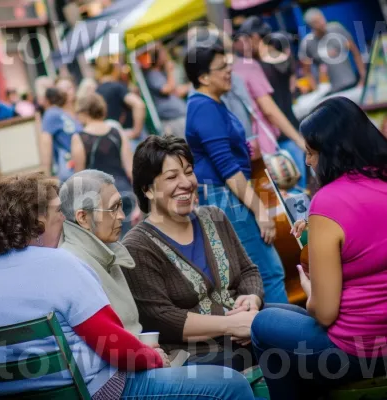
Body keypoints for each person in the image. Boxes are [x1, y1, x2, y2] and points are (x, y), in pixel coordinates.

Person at [0, 172, 255, 400]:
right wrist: (154, 358)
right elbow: (115, 346)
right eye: (57, 212)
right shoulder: (60, 263)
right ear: (38, 221)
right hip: (99, 392)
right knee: (231, 385)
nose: (63, 218)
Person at [251, 97, 387, 399]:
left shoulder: (328, 202)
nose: (307, 161)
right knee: (274, 310)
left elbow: (325, 313)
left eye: (311, 152)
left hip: (373, 349)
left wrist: (310, 291)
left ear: (333, 152)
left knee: (261, 324)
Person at [123, 135, 263, 371]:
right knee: (284, 349)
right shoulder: (137, 246)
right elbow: (161, 317)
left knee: (295, 322)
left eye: (188, 171)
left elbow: (248, 271)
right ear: (147, 190)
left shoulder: (214, 216)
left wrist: (252, 298)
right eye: (172, 177)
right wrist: (230, 325)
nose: (186, 182)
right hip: (197, 356)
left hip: (246, 332)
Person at [183, 44, 288, 304]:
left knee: (258, 276)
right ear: (204, 77)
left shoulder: (210, 103)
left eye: (227, 64)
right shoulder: (205, 108)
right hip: (228, 198)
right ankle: (292, 338)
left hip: (227, 197)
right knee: (267, 274)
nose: (229, 71)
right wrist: (260, 211)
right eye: (222, 68)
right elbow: (227, 169)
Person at [59, 170, 141, 336]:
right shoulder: (73, 264)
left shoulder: (103, 250)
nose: (121, 216)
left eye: (120, 206)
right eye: (113, 208)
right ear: (83, 218)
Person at [236, 17, 307, 189]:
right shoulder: (285, 58)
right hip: (293, 125)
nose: (242, 45)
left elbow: (269, 109)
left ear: (254, 37)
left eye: (244, 39)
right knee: (304, 189)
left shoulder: (256, 67)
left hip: (278, 137)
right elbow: (292, 88)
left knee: (291, 193)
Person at [72, 92, 138, 234]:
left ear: (83, 112)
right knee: (134, 238)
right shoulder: (117, 132)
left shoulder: (79, 138)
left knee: (113, 245)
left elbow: (80, 179)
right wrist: (139, 201)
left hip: (99, 198)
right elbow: (132, 170)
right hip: (124, 191)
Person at [298, 8, 366, 92]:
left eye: (321, 18)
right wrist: (316, 90)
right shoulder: (307, 43)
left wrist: (363, 77)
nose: (322, 22)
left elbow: (356, 53)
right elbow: (306, 70)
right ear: (311, 26)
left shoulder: (337, 29)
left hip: (353, 83)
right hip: (330, 91)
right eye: (317, 22)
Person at [94, 56, 146, 141]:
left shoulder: (96, 92)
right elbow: (139, 104)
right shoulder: (117, 86)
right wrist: (135, 132)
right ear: (113, 67)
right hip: (131, 137)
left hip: (116, 139)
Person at [144, 44, 188, 138]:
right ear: (157, 57)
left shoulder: (161, 73)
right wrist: (169, 71)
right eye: (163, 54)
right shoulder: (153, 75)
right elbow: (167, 89)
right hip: (172, 119)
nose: (166, 56)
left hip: (179, 116)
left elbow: (176, 91)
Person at [40, 87, 82, 182]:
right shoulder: (65, 113)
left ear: (46, 100)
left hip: (70, 167)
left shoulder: (50, 113)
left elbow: (46, 144)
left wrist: (46, 175)